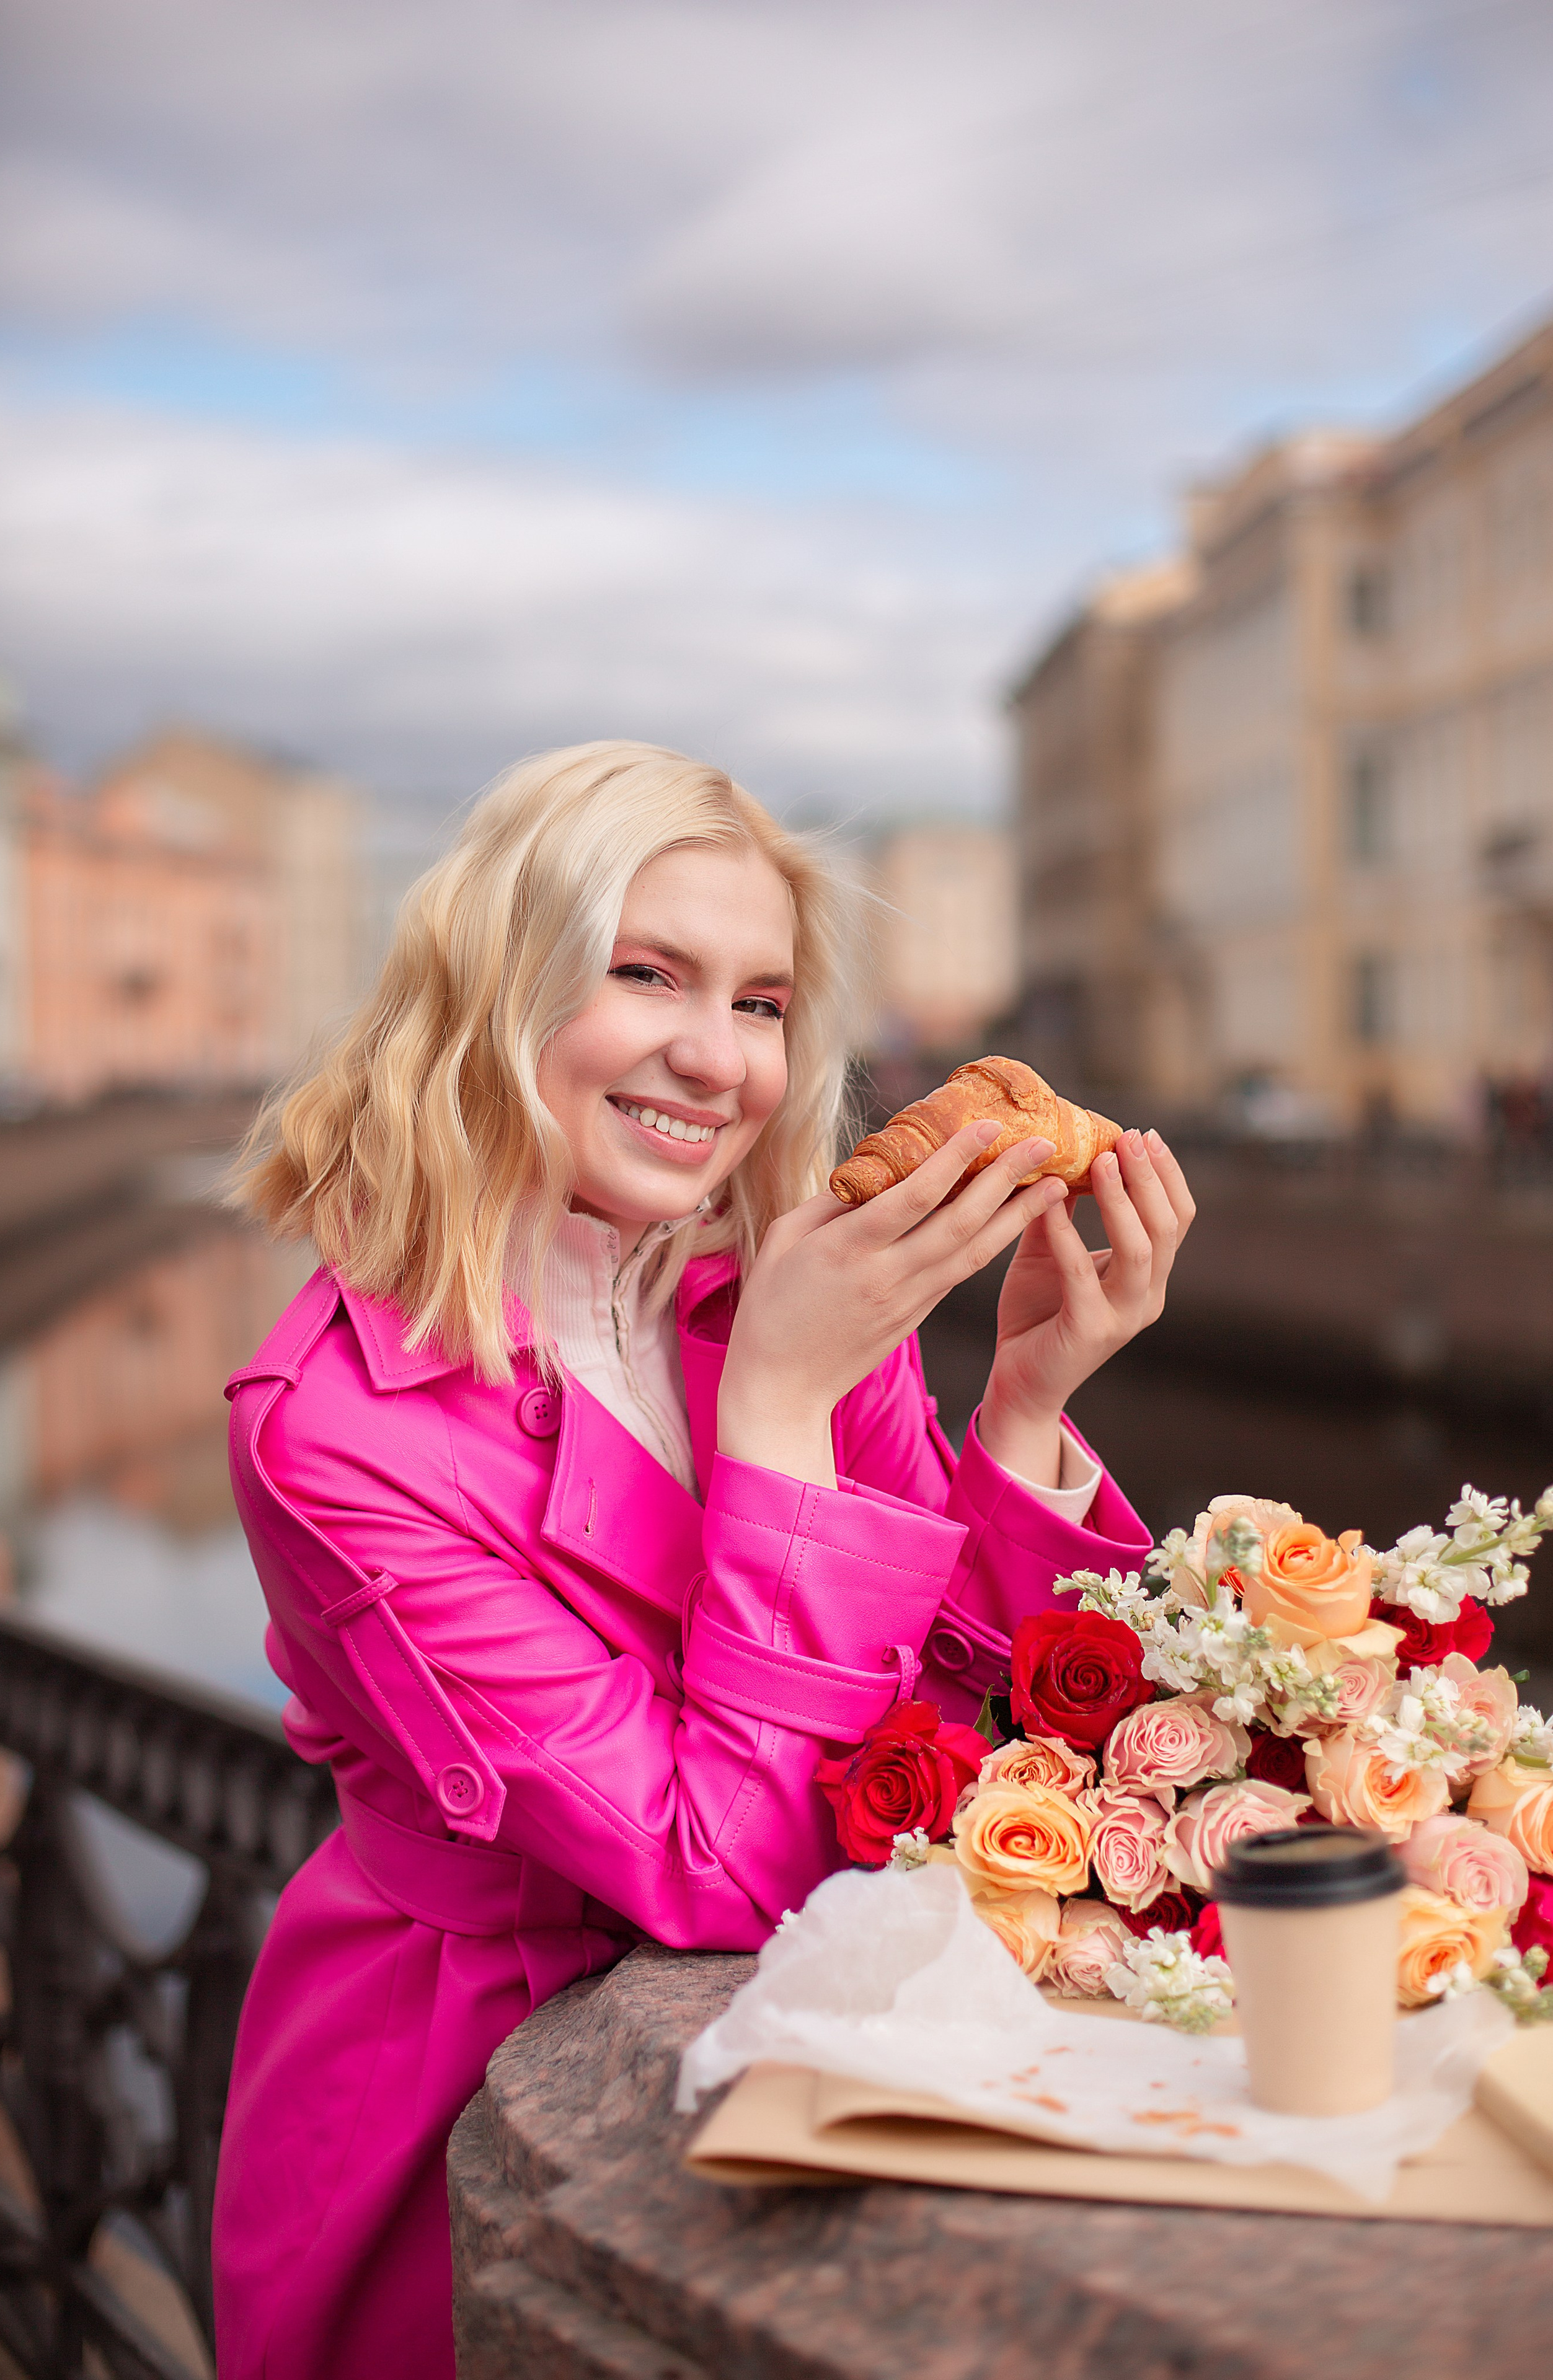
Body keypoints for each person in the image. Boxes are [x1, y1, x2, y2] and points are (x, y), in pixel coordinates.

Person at [213, 741, 1193, 2378]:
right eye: (647, 975)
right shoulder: (334, 1432)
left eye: (761, 1001)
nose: (719, 1055)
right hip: (463, 2102)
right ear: (494, 991)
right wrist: (785, 1413)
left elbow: (981, 1744)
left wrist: (1022, 1409)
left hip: (846, 2056)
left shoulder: (773, 1292)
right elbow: (718, 1871)